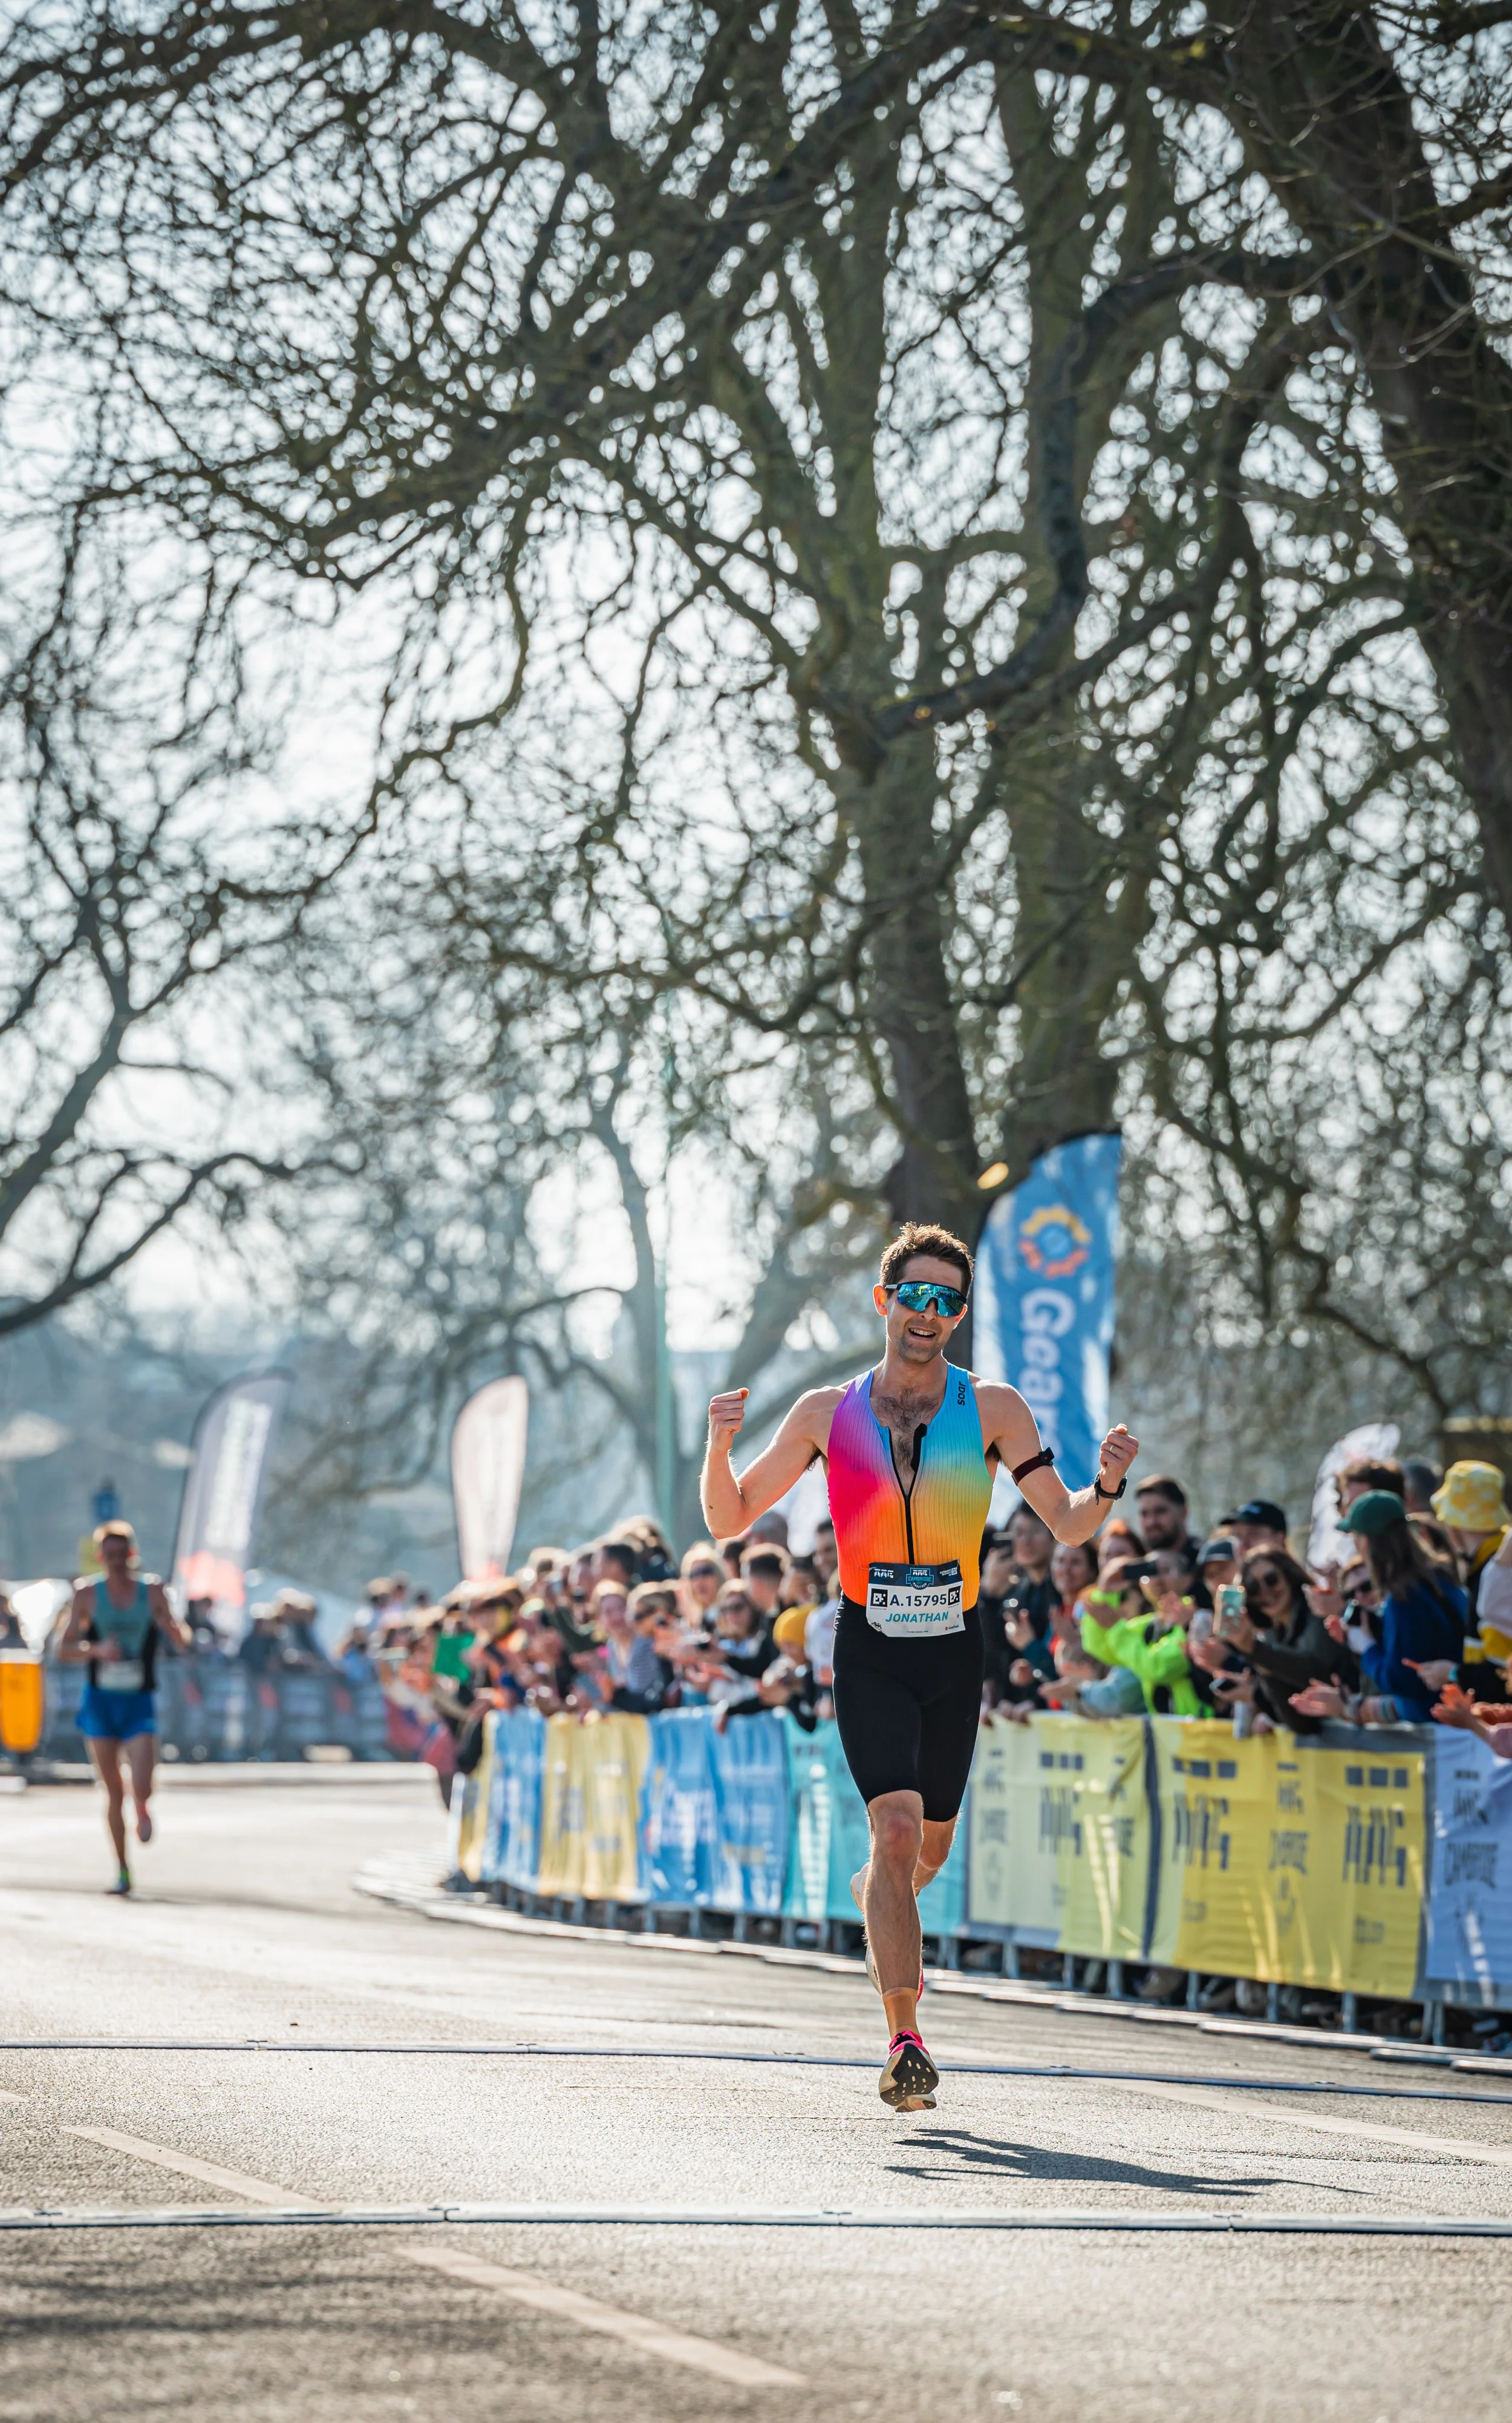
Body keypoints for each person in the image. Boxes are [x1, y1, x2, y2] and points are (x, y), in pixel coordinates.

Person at [701, 1218, 1138, 2112]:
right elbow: (729, 1516)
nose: (928, 1312)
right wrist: (719, 1443)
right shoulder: (827, 1412)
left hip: (952, 1649)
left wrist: (1110, 1483)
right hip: (868, 1647)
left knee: (927, 1848)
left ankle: (882, 1896)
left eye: (946, 1300)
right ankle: (905, 2040)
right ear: (885, 1302)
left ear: (960, 1313)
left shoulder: (997, 1407)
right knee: (894, 1831)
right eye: (915, 1295)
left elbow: (1066, 1523)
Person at [56, 1519, 191, 1894]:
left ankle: (144, 1807)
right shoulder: (86, 1594)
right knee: (113, 1791)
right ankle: (122, 1869)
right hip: (100, 1702)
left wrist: (175, 1630)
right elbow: (63, 1648)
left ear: (132, 1554)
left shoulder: (151, 1592)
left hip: (138, 1700)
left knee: (142, 1783)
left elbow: (180, 1634)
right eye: (109, 1555)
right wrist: (96, 1650)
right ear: (101, 1557)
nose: (116, 1562)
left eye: (122, 1554)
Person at [1224, 1500, 1289, 1558]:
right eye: (1237, 1536)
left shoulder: (1296, 1571)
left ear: (1279, 1539)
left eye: (1253, 1534)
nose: (1243, 1545)